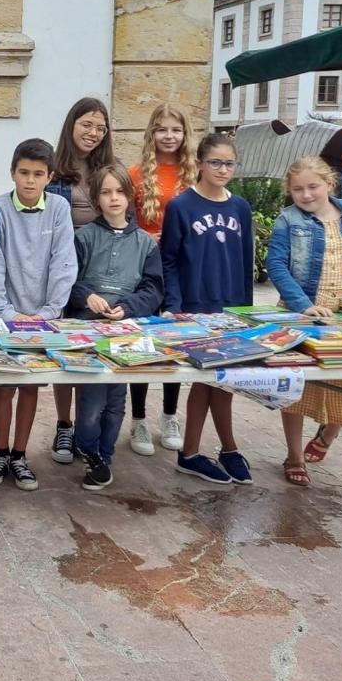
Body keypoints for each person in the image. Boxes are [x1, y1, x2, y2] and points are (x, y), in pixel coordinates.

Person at [266, 157, 342, 487]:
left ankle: (326, 437)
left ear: (330, 185)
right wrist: (303, 305)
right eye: (297, 189)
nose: (306, 195)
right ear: (289, 192)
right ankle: (293, 455)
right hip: (301, 313)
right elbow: (276, 264)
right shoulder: (288, 219)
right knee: (295, 386)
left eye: (313, 187)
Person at [0, 138, 76, 492]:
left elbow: (63, 262)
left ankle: (20, 455)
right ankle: (1, 451)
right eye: (23, 173)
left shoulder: (59, 209)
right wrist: (7, 313)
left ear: (50, 176)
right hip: (6, 316)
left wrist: (49, 313)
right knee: (4, 384)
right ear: (12, 173)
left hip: (44, 318)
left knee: (31, 385)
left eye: (38, 174)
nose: (30, 180)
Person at [161, 133, 255, 485]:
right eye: (215, 162)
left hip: (230, 309)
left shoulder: (240, 208)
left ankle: (214, 450)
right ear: (199, 163)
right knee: (208, 381)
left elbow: (245, 261)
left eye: (229, 163)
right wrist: (173, 306)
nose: (222, 169)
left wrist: (246, 311)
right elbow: (168, 260)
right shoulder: (181, 207)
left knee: (223, 382)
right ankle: (197, 451)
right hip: (194, 308)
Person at [65, 166, 163, 491]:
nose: (113, 198)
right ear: (96, 198)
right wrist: (87, 296)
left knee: (116, 401)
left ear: (130, 195)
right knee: (92, 401)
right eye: (106, 193)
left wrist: (130, 307)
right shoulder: (83, 238)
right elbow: (69, 282)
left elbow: (153, 289)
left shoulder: (145, 244)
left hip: (126, 334)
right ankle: (87, 448)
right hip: (89, 332)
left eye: (119, 192)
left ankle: (104, 455)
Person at [47, 97, 116, 466]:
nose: (93, 133)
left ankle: (92, 428)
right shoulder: (53, 170)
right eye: (86, 124)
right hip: (62, 269)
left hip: (100, 268)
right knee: (64, 351)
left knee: (94, 352)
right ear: (71, 124)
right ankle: (63, 424)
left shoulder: (110, 169)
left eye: (100, 127)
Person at [126, 103, 196, 455]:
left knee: (175, 344)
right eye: (162, 129)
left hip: (182, 269)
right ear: (151, 133)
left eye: (176, 130)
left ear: (185, 134)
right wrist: (144, 237)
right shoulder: (137, 174)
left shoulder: (194, 174)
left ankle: (170, 414)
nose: (169, 136)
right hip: (147, 269)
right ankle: (138, 419)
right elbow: (127, 222)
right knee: (142, 346)